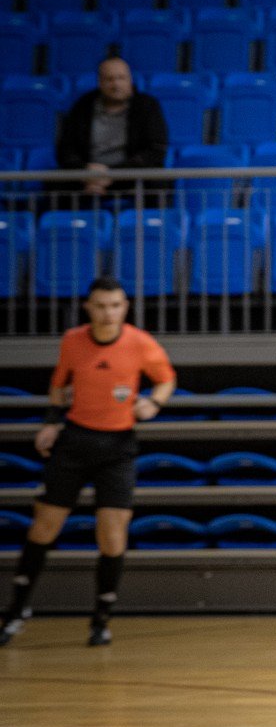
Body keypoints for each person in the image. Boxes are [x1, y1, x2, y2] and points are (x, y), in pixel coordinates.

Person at [0, 277, 176, 649]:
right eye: (101, 305)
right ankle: (15, 612)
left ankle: (101, 618)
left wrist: (154, 402)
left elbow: (166, 378)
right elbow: (59, 383)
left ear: (125, 307)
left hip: (118, 445)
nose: (108, 312)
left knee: (112, 533)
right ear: (88, 308)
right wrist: (51, 421)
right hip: (75, 441)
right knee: (44, 527)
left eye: (115, 305)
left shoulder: (140, 343)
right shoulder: (73, 341)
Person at [56, 57, 171, 202]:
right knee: (55, 182)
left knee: (158, 182)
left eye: (121, 78)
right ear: (100, 82)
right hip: (88, 175)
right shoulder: (83, 106)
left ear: (130, 79)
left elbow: (156, 150)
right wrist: (85, 170)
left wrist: (113, 173)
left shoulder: (147, 106)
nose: (116, 84)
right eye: (109, 79)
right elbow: (65, 148)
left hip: (130, 175)